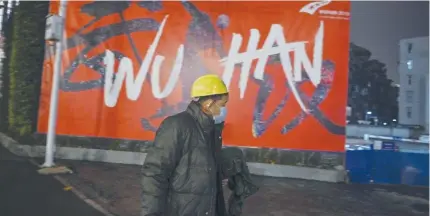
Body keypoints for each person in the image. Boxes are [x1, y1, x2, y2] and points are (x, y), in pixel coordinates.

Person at [141, 74, 229, 216]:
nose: (224, 110)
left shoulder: (211, 130)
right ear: (209, 103)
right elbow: (155, 173)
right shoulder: (176, 125)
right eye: (222, 105)